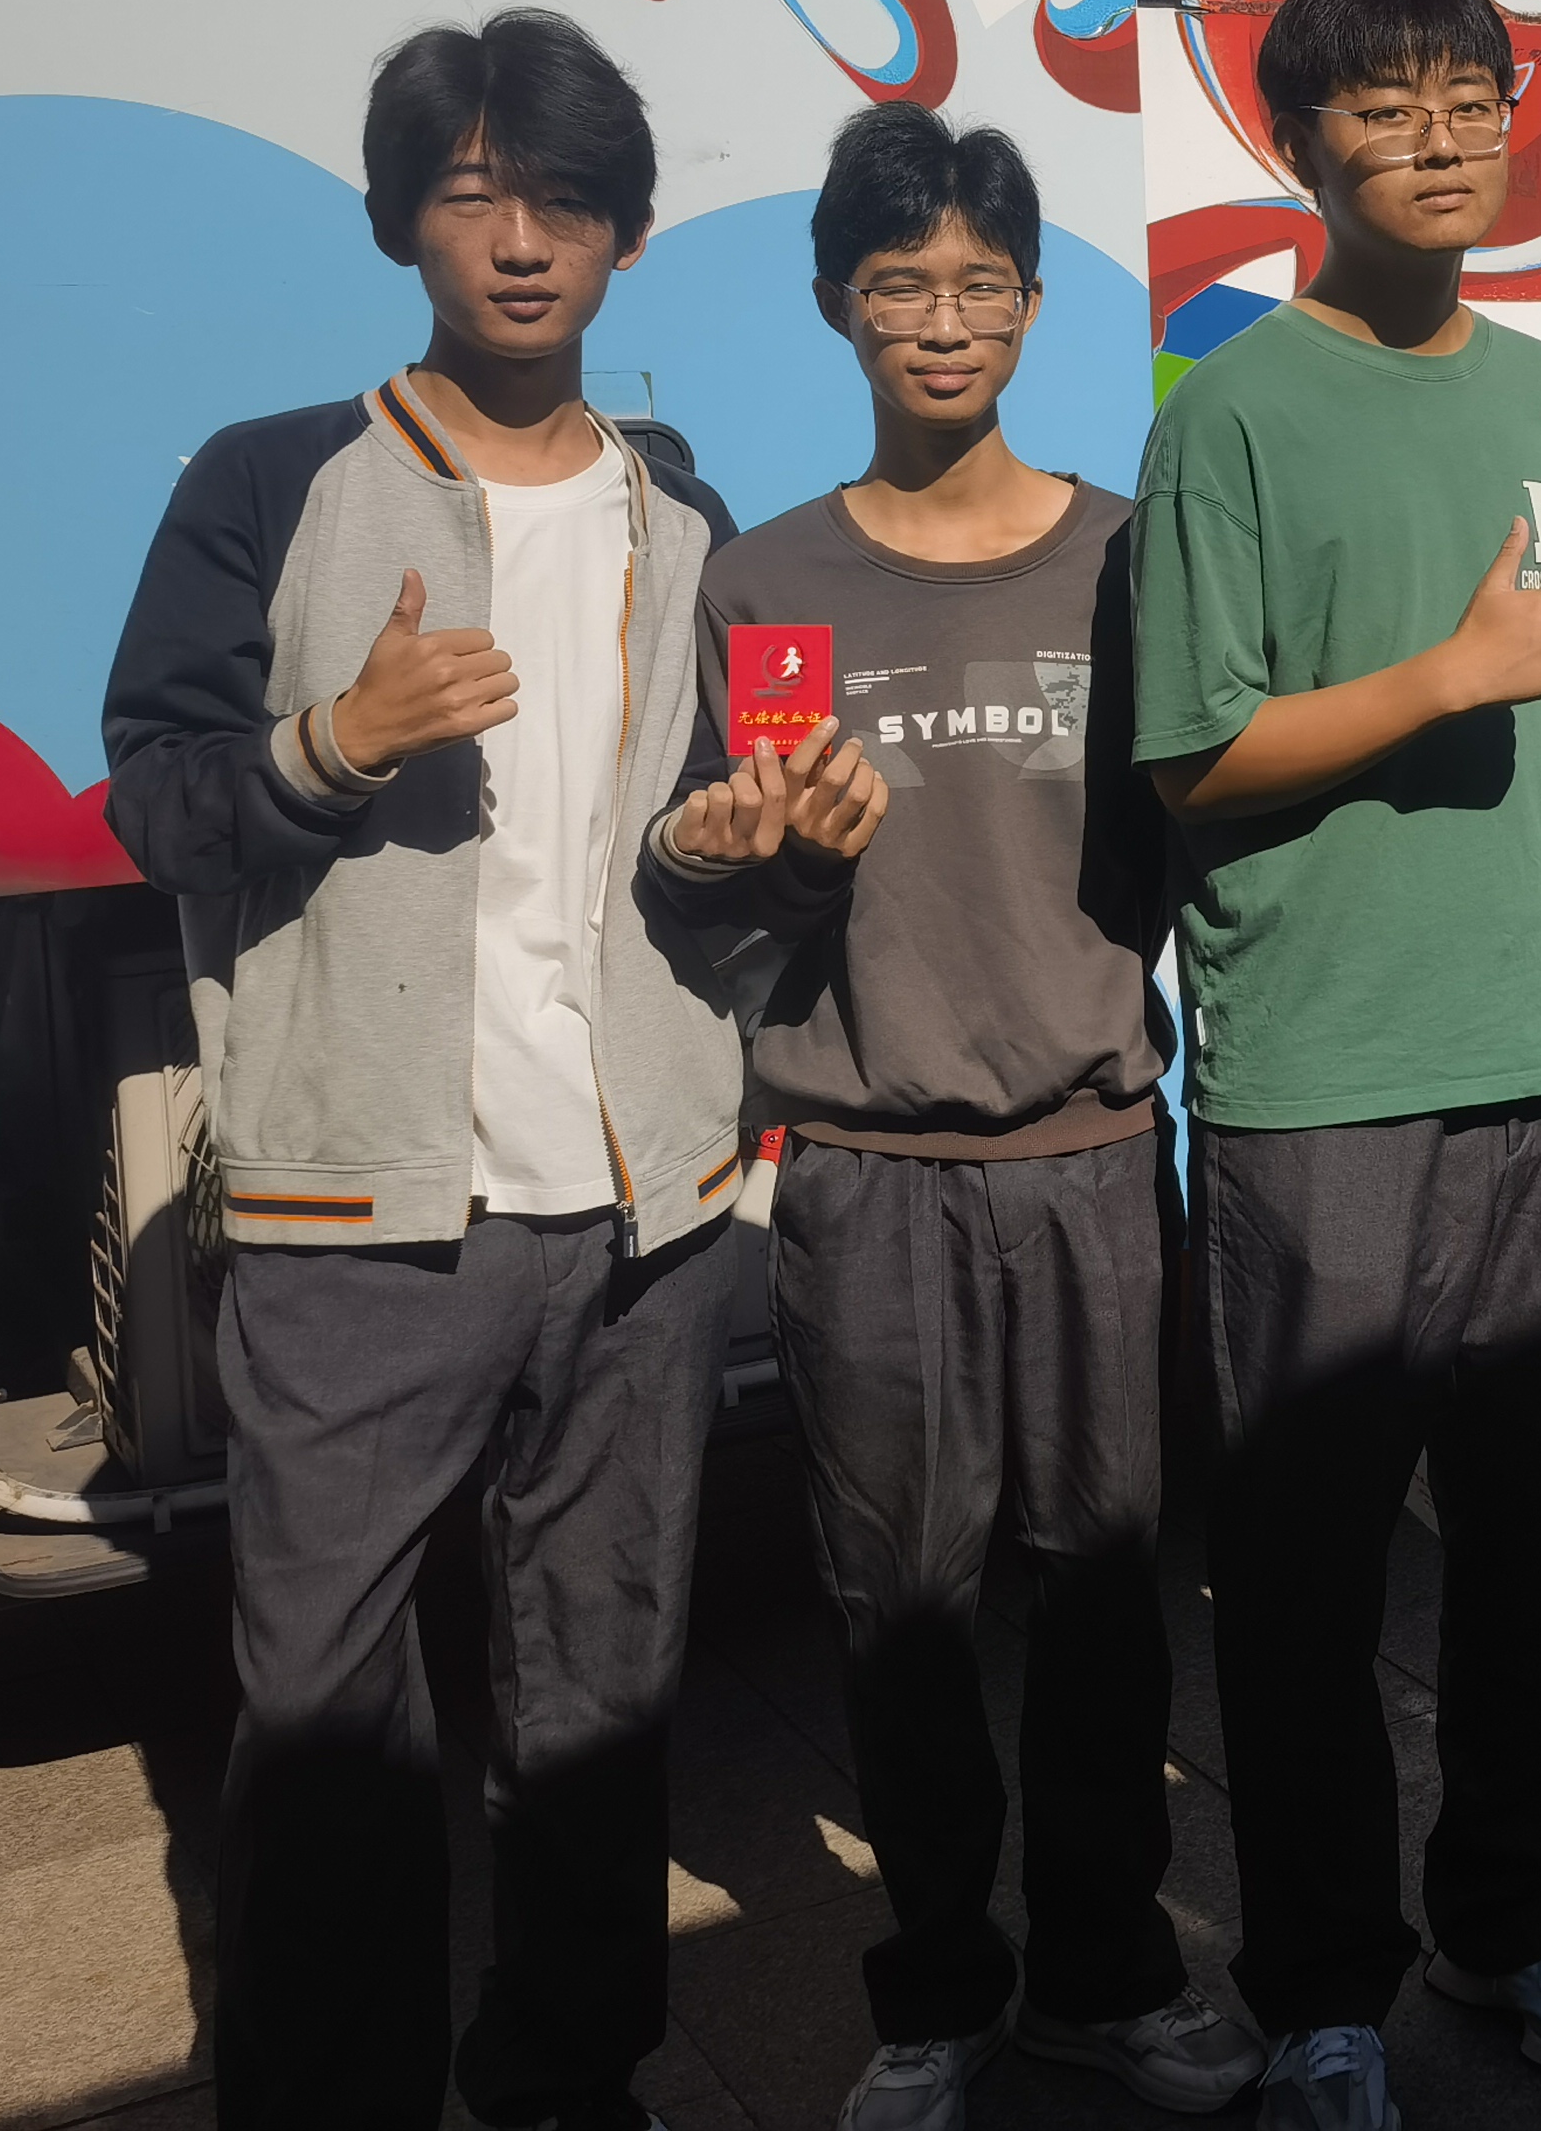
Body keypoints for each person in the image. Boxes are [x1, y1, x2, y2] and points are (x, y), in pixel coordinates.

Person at [103, 12, 802, 2131]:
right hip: (360, 1215)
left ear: (628, 236)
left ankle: (566, 2076)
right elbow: (156, 800)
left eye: (564, 201)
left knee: (600, 1688)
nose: (519, 242)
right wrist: (339, 742)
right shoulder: (268, 480)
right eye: (474, 194)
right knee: (325, 1710)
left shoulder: (683, 513)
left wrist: (750, 849)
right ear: (400, 219)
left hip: (640, 1216)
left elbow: (693, 861)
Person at [656, 107, 1262, 2127]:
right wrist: (770, 853)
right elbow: (719, 892)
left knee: (1102, 1594)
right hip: (863, 1176)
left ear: (1030, 303)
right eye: (898, 283)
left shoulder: (1124, 555)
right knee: (896, 1607)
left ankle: (1106, 1975)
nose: (940, 320)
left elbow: (1197, 833)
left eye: (979, 283)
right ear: (837, 304)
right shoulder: (765, 579)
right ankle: (934, 1995)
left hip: (1089, 1158)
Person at [1128, 0, 1541, 2131]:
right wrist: (1437, 679)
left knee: (1538, 1546)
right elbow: (1192, 757)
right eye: (1384, 107)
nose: (1438, 140)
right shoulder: (1232, 410)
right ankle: (1322, 1983)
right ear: (1296, 142)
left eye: (1469, 98)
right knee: (1306, 1573)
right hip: (1324, 1078)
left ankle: (1513, 1920)